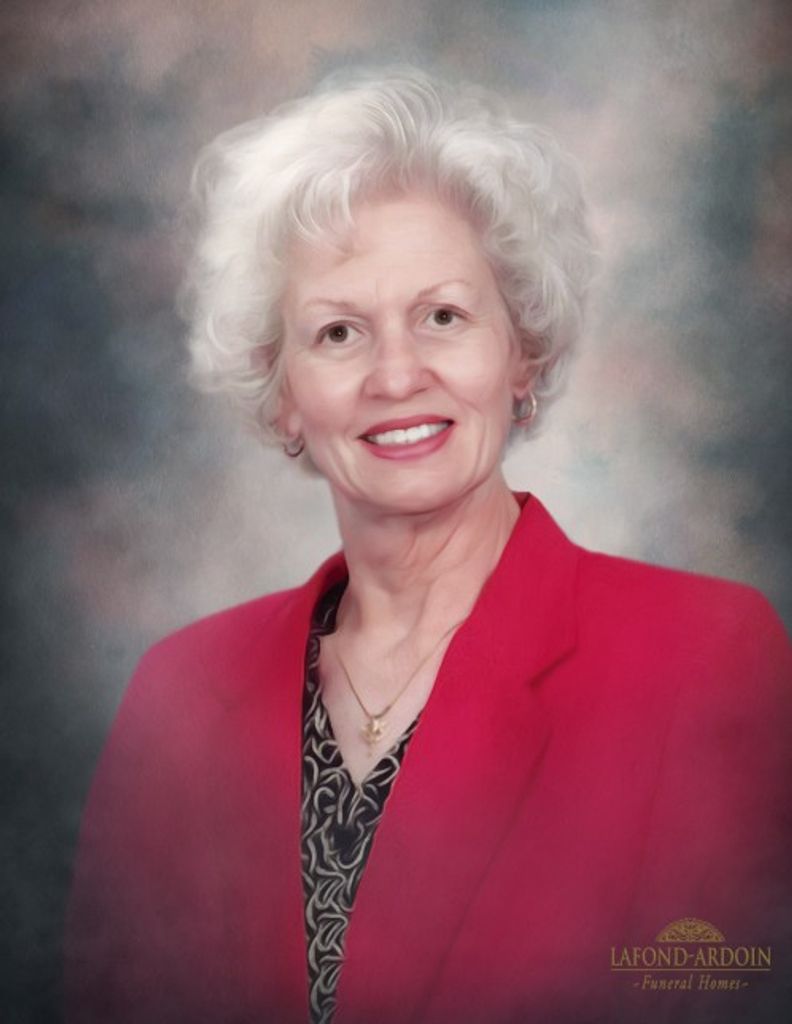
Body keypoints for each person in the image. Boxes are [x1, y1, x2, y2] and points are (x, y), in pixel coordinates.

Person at [65, 67, 792, 1024]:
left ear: (521, 355)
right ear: (282, 395)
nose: (397, 375)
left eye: (442, 316)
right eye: (338, 333)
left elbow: (732, 995)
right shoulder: (182, 693)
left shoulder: (703, 654)